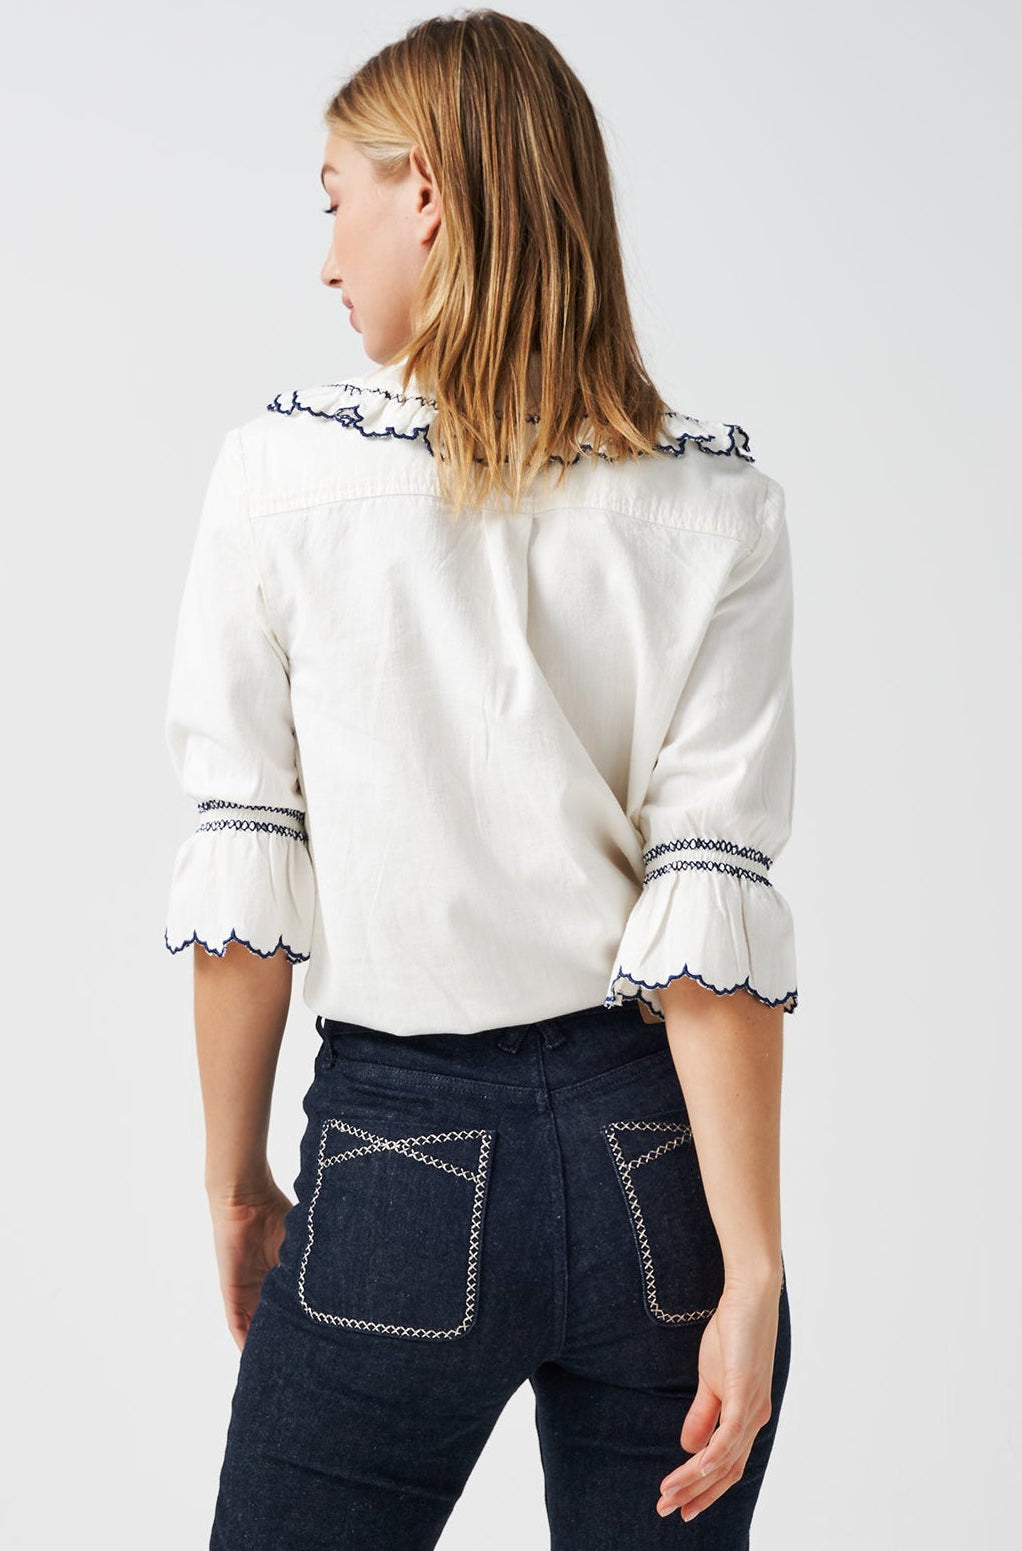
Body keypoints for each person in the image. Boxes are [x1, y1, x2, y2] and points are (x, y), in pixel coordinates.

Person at [162, 11, 799, 1549]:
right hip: (661, 1174)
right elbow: (706, 917)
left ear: (426, 192)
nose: (326, 254)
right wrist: (754, 1268)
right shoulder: (716, 511)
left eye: (336, 195)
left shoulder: (283, 479)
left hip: (396, 1153)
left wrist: (237, 1182)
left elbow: (250, 886)